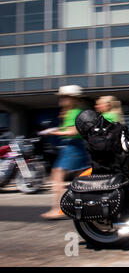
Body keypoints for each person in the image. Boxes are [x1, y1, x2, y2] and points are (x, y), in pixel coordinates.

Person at [41, 85, 90, 220]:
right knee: (81, 178)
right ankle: (82, 205)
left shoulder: (74, 112)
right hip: (72, 146)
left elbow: (73, 131)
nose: (60, 100)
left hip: (72, 146)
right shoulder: (71, 111)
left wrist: (53, 132)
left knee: (57, 176)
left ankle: (57, 209)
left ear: (71, 99)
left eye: (63, 97)